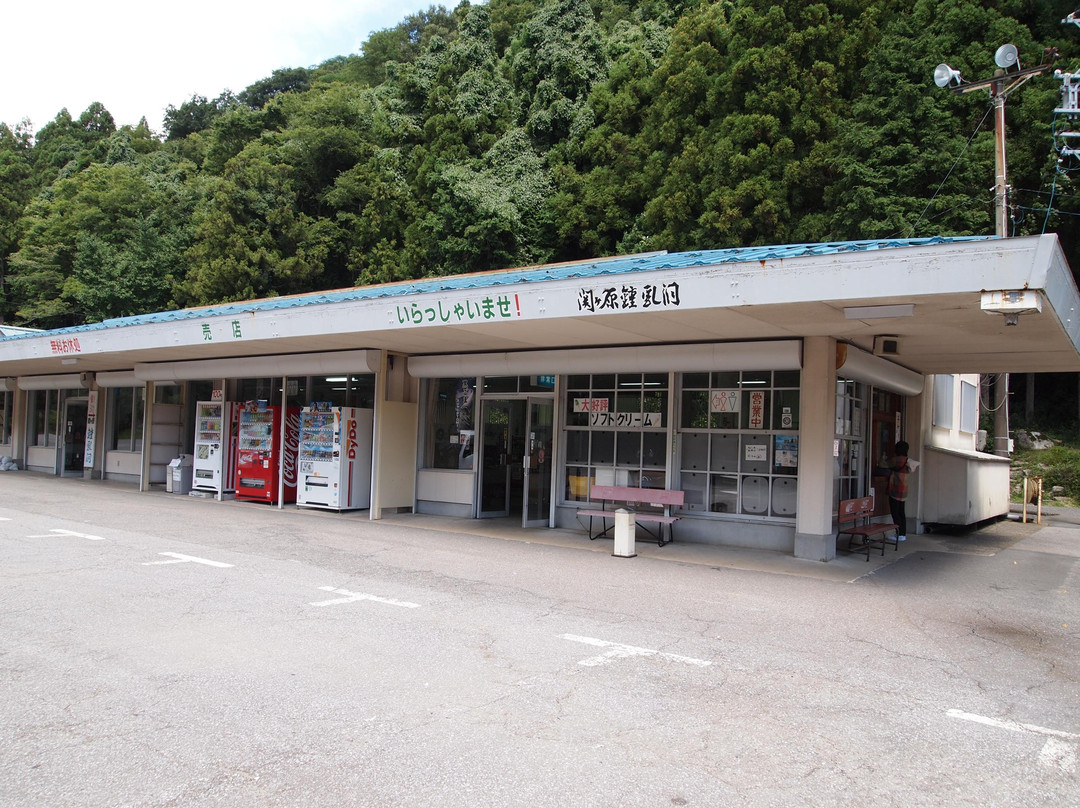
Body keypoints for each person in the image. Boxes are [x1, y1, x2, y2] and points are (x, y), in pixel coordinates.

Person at [885, 440, 912, 541]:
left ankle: (898, 533)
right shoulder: (907, 460)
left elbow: (884, 464)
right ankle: (902, 534)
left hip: (895, 490)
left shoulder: (896, 460)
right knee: (901, 512)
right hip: (904, 490)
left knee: (895, 512)